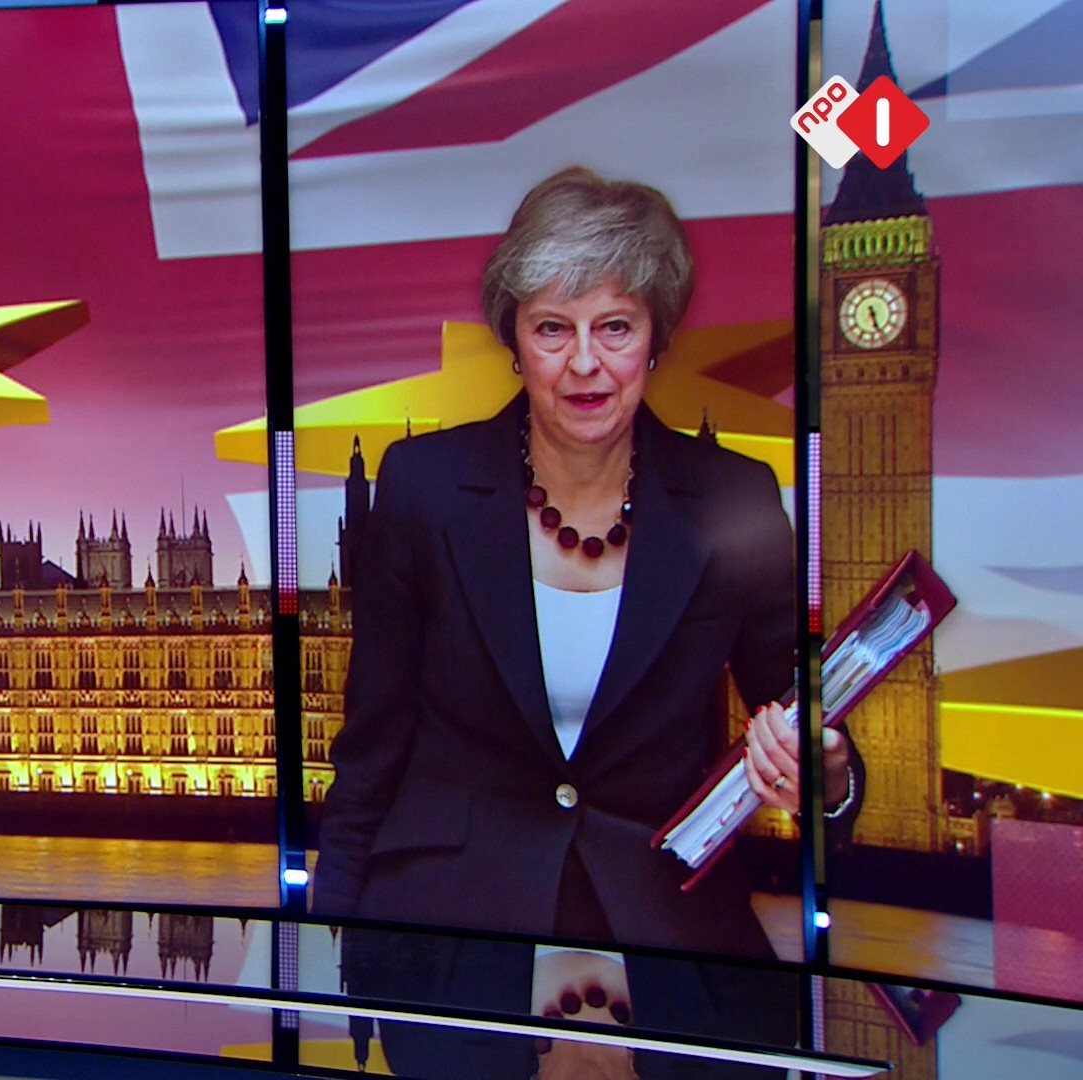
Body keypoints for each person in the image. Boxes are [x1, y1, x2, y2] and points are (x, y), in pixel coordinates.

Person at [313, 167, 864, 1078]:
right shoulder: (421, 490)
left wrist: (825, 772)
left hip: (675, 941)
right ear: (513, 342)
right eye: (552, 329)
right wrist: (322, 946)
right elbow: (371, 748)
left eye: (615, 326)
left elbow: (802, 725)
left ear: (656, 340)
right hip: (451, 948)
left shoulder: (736, 501)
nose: (584, 363)